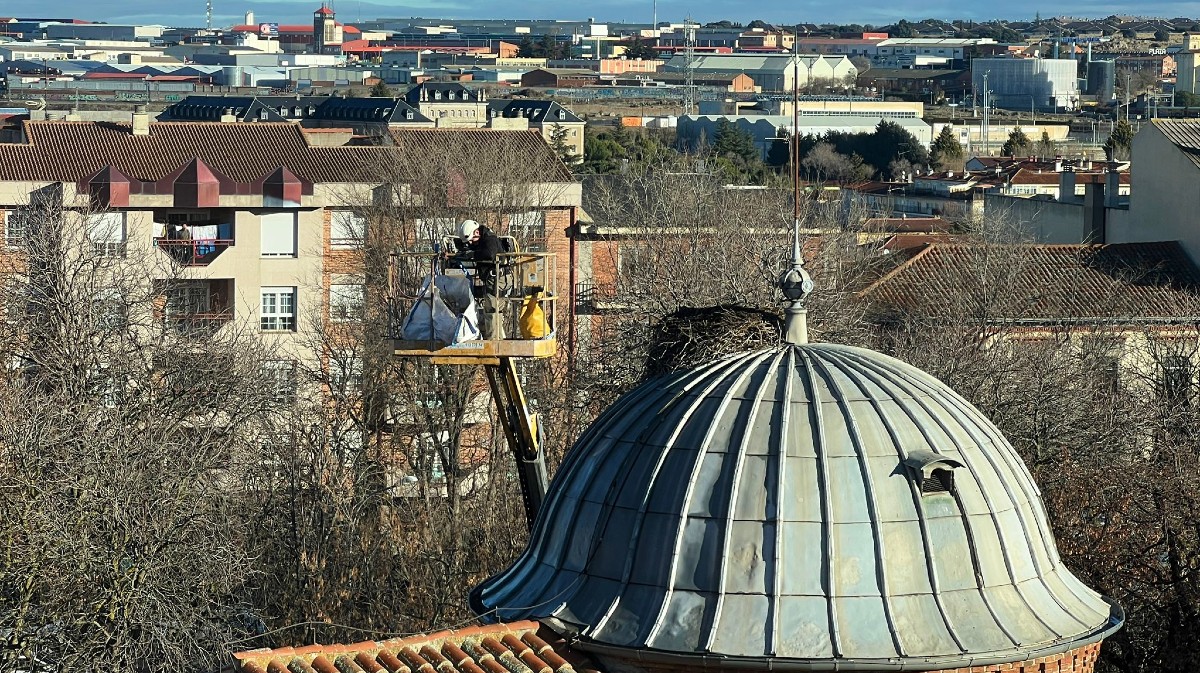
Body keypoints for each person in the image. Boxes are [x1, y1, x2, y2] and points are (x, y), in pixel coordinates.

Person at [450, 219, 504, 338]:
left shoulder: (490, 240)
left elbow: (489, 254)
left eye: (472, 241)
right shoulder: (482, 241)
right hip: (492, 278)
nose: (471, 244)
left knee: (492, 310)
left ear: (477, 233)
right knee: (492, 310)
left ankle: (494, 342)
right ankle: (498, 338)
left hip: (497, 278)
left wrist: (472, 255)